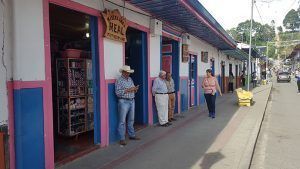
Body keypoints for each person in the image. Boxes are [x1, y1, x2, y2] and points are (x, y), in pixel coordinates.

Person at [115, 65, 140, 146]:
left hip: (132, 100)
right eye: (127, 72)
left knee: (131, 119)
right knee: (122, 121)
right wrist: (129, 90)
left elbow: (133, 89)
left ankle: (131, 135)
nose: (128, 74)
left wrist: (135, 89)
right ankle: (122, 138)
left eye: (129, 73)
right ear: (123, 72)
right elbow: (118, 93)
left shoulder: (130, 79)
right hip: (123, 102)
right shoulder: (119, 80)